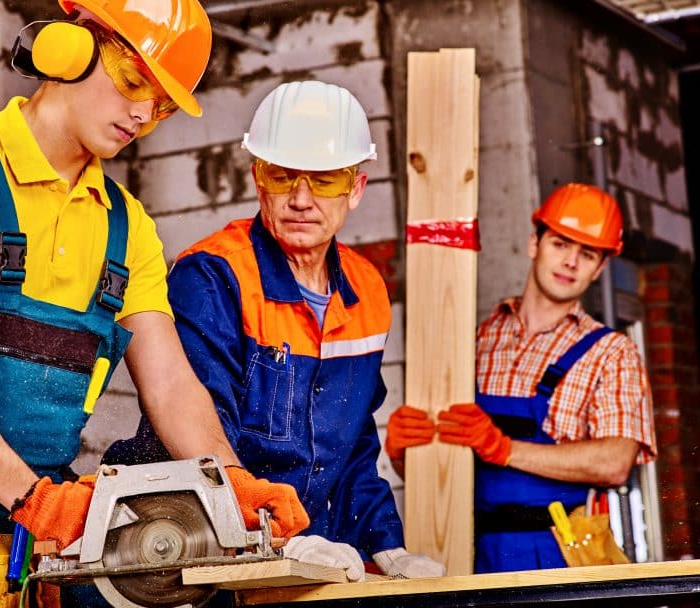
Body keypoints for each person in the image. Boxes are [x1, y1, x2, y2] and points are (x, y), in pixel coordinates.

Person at [0, 1, 309, 606]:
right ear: (71, 48)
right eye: (134, 78)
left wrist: (230, 485)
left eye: (162, 105)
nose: (143, 112)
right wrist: (38, 500)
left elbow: (170, 386)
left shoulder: (127, 228)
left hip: (27, 560)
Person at [106, 80, 445, 580]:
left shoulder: (367, 290)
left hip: (314, 552)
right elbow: (202, 440)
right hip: (196, 550)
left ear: (355, 188)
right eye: (282, 176)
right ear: (256, 178)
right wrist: (277, 538)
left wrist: (386, 545)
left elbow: (352, 448)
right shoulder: (213, 276)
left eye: (325, 180)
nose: (301, 199)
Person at [384, 182, 657, 573]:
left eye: (587, 254)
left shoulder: (610, 352)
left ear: (599, 268)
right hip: (464, 551)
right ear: (534, 243)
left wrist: (505, 449)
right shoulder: (474, 342)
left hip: (556, 554)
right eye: (560, 244)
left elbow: (615, 461)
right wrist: (402, 452)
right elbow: (445, 463)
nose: (570, 262)